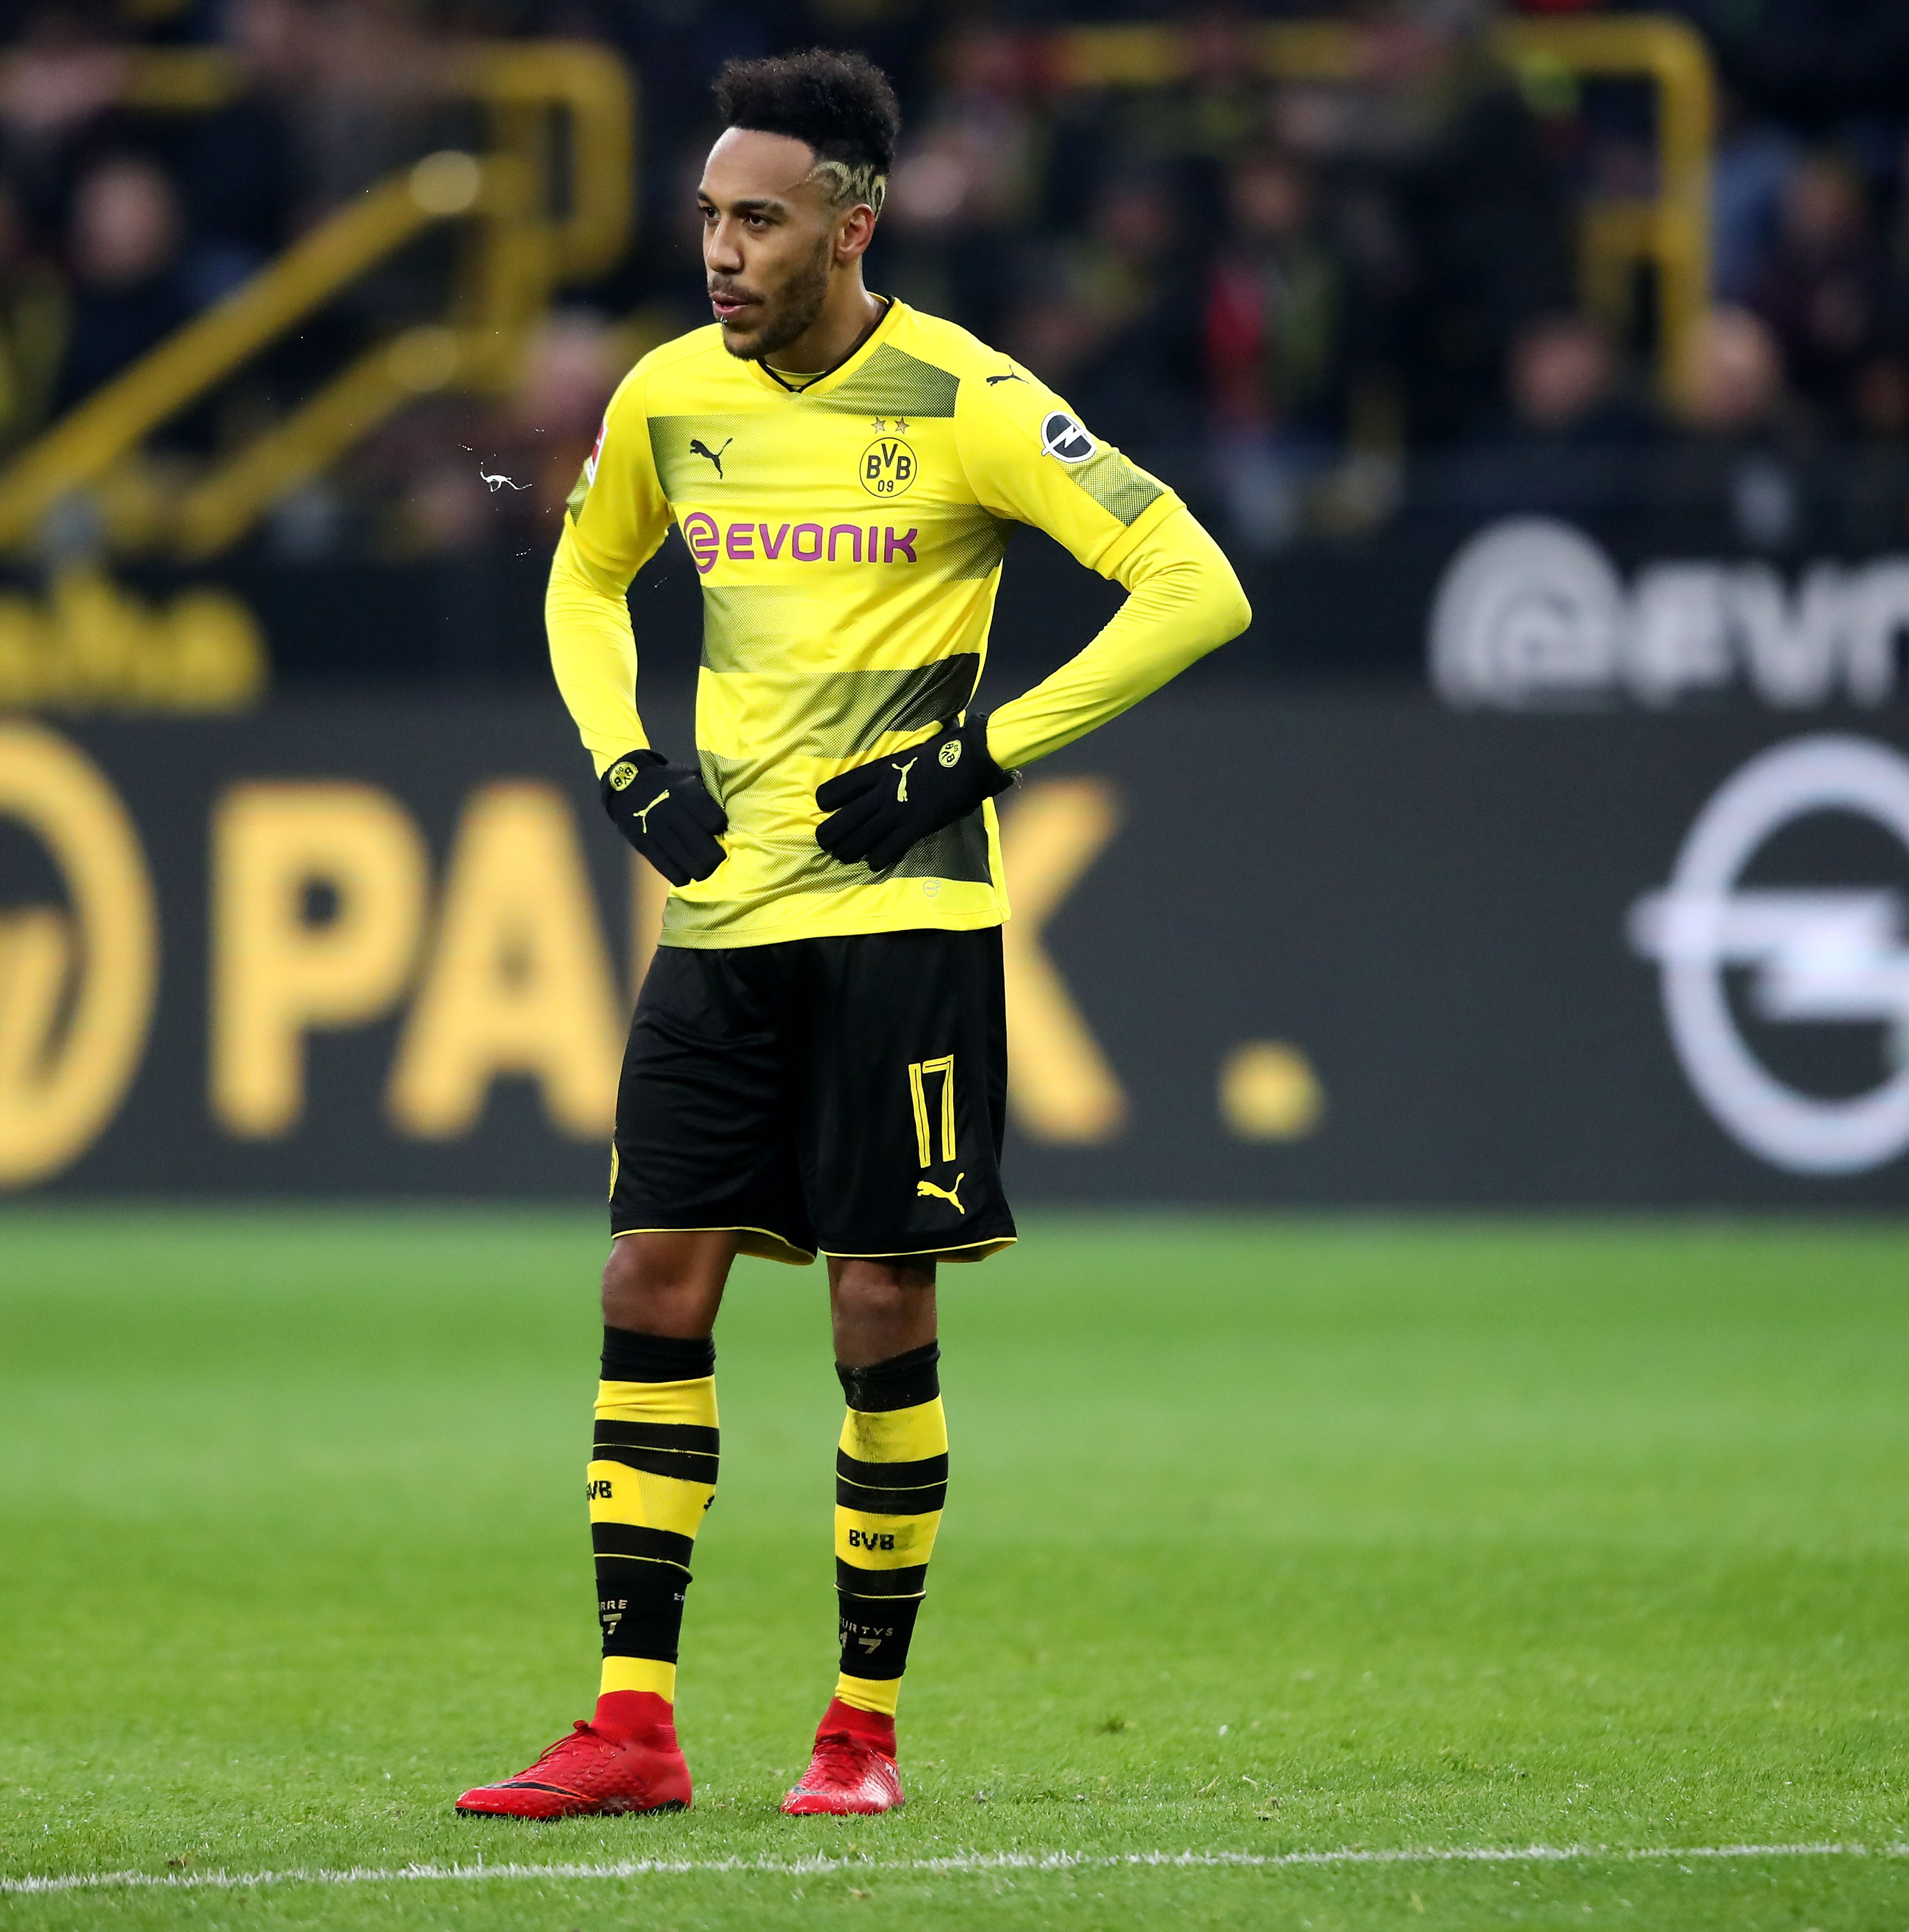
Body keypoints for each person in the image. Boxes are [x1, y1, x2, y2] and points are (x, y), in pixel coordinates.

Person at [454, 50, 1250, 1824]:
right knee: (649, 1273)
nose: (722, 254)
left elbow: (1198, 578)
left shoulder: (965, 396)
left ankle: (859, 1730)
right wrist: (624, 762)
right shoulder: (671, 398)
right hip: (725, 911)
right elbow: (588, 578)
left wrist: (982, 750)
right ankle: (632, 1722)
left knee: (878, 1301)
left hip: (909, 915)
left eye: (759, 221)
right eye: (710, 220)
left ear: (851, 225)